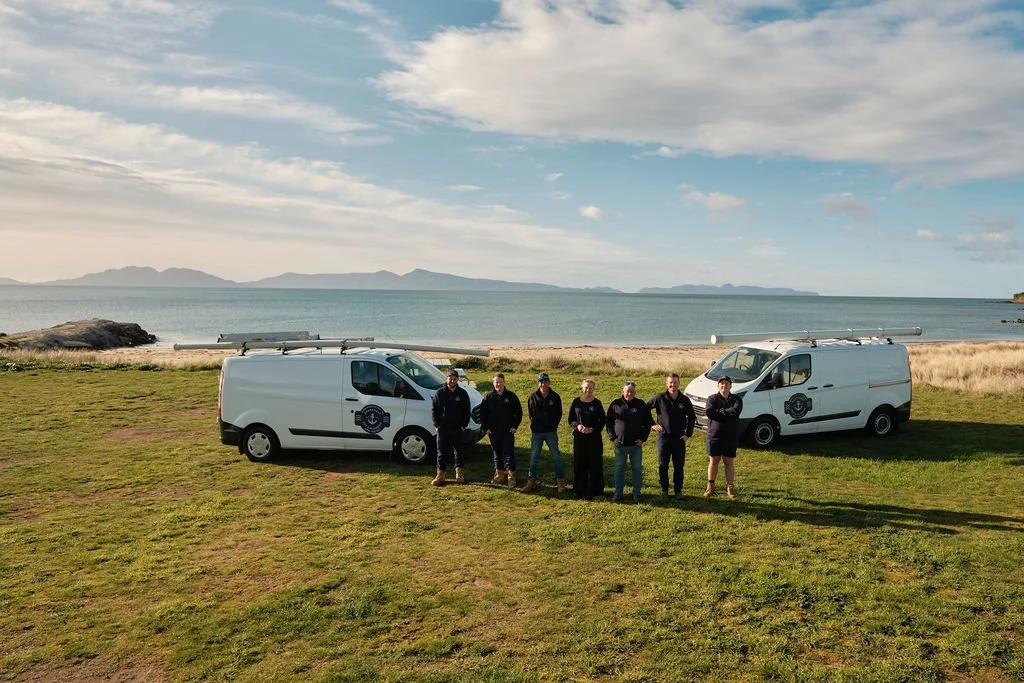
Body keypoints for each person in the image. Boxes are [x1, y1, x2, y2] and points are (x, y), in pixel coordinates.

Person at [648, 373, 696, 499]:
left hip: (679, 439)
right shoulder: (660, 398)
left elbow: (692, 417)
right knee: (663, 465)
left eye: (675, 382)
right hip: (663, 438)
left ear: (679, 383)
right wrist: (652, 424)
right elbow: (645, 408)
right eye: (670, 382)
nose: (672, 385)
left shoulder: (684, 400)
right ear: (666, 383)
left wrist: (688, 434)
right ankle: (664, 490)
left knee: (678, 466)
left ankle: (678, 491)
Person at [606, 381, 653, 503]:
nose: (629, 394)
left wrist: (643, 438)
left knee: (637, 469)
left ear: (635, 392)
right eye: (627, 391)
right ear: (623, 391)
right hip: (620, 444)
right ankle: (618, 493)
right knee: (619, 469)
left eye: (632, 392)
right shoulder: (615, 404)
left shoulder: (640, 404)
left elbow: (648, 423)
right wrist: (612, 437)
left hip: (635, 445)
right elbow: (609, 422)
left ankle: (637, 493)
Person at [478, 372, 523, 489]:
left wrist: (515, 426)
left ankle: (511, 476)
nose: (498, 384)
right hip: (493, 432)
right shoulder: (488, 397)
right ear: (493, 383)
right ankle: (500, 474)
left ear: (504, 382)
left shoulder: (511, 396)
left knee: (509, 453)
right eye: (496, 382)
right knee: (497, 454)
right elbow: (482, 414)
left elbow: (518, 413)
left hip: (508, 431)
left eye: (500, 382)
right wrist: (485, 428)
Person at [525, 372, 565, 493]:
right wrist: (535, 425)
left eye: (546, 381)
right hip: (537, 432)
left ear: (549, 382)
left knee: (557, 456)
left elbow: (559, 413)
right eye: (541, 382)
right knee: (534, 457)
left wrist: (553, 425)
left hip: (551, 432)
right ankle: (531, 481)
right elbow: (530, 413)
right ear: (539, 383)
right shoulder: (532, 396)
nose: (543, 384)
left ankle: (560, 482)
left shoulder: (555, 397)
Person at [704, 375, 743, 498]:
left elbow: (736, 411)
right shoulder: (712, 398)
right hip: (714, 435)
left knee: (728, 462)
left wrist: (719, 412)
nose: (724, 386)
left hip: (730, 436)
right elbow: (709, 412)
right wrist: (727, 412)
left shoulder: (737, 399)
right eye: (721, 384)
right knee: (713, 461)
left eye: (726, 384)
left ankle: (730, 488)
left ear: (730, 386)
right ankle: (710, 487)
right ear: (718, 385)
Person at [567, 378, 606, 499]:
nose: (588, 390)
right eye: (586, 387)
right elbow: (571, 419)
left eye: (590, 388)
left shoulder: (597, 403)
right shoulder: (576, 402)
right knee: (579, 463)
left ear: (594, 389)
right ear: (582, 388)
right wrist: (577, 426)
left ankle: (594, 490)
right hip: (579, 438)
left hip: (594, 438)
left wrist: (592, 429)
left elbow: (602, 421)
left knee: (594, 464)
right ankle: (578, 489)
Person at [431, 368, 471, 486]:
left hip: (457, 428)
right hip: (443, 428)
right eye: (450, 378)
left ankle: (459, 473)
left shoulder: (462, 393)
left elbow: (466, 411)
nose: (452, 381)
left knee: (459, 451)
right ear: (446, 378)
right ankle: (440, 475)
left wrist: (463, 426)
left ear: (457, 380)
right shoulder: (440, 393)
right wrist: (437, 425)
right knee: (441, 452)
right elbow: (434, 410)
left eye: (454, 379)